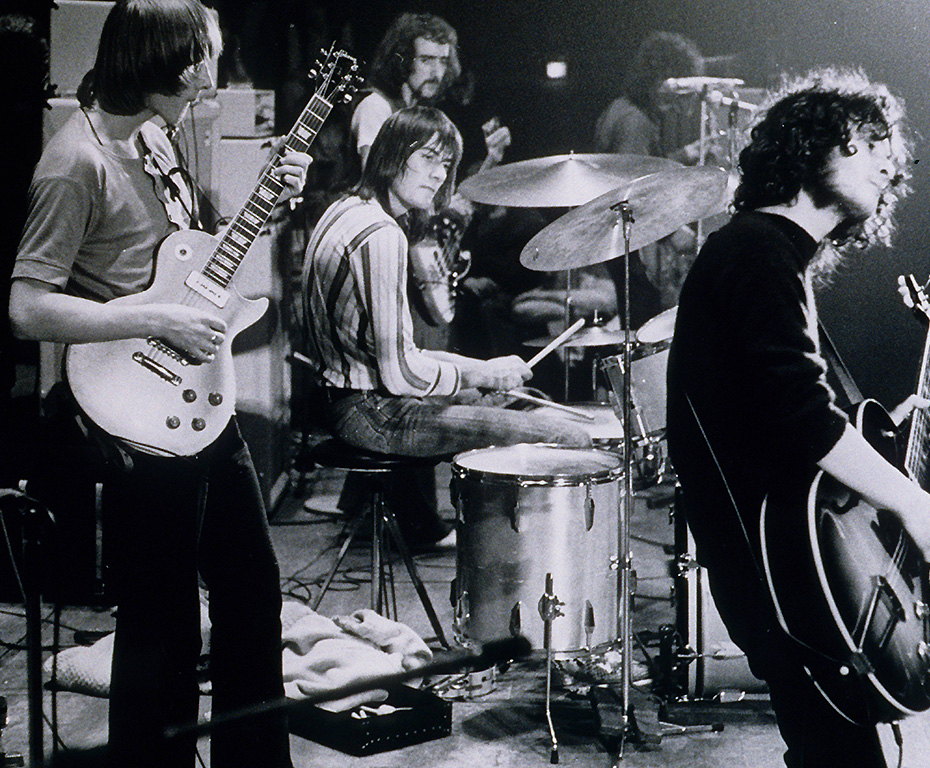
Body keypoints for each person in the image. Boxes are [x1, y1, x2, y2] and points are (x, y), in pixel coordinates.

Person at [8, 2, 311, 766]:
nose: (211, 79)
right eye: (199, 63)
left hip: (197, 403)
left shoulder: (154, 134)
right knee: (161, 623)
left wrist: (269, 200)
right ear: (157, 64)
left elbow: (190, 252)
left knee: (252, 594)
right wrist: (151, 318)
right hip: (133, 410)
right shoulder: (74, 162)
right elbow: (26, 306)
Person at [665, 68, 930, 767]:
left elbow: (779, 410)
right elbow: (801, 417)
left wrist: (882, 431)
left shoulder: (773, 254)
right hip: (775, 566)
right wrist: (911, 501)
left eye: (889, 152)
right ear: (808, 149)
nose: (888, 160)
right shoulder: (757, 250)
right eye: (866, 142)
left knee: (831, 748)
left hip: (788, 556)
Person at [301, 106, 590, 481]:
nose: (439, 175)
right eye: (428, 158)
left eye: (446, 163)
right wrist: (480, 374)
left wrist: (486, 370)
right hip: (373, 414)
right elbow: (402, 374)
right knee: (567, 435)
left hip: (345, 402)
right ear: (391, 154)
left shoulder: (345, 208)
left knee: (521, 399)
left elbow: (404, 355)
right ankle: (501, 538)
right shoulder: (380, 234)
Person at [595, 31, 705, 326]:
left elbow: (632, 170)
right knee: (645, 323)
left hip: (613, 244)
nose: (679, 100)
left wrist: (682, 155)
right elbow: (632, 193)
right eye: (674, 87)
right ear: (659, 81)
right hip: (624, 246)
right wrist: (675, 233)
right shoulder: (636, 123)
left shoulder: (622, 109)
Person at [351, 12, 510, 173]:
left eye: (443, 61)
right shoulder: (375, 107)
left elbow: (429, 192)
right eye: (426, 60)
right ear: (403, 60)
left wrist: (492, 158)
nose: (437, 74)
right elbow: (377, 185)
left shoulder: (422, 114)